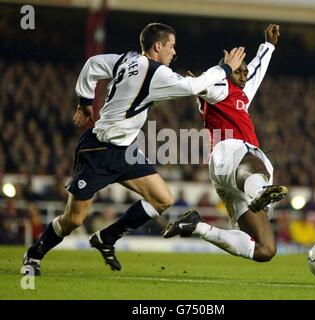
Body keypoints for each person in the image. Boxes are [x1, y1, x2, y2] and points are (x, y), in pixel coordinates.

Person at [22, 22, 246, 275]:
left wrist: (84, 101)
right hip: (98, 150)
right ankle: (34, 255)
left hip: (125, 149)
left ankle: (107, 237)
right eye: (171, 47)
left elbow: (93, 64)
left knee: (163, 199)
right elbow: (192, 87)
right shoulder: (155, 71)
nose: (174, 53)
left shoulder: (126, 59)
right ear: (157, 46)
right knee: (74, 219)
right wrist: (225, 69)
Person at [163, 24, 288, 262]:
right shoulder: (221, 87)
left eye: (244, 73)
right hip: (229, 153)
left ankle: (196, 226)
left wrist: (268, 45)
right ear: (228, 71)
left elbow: (257, 71)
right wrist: (217, 72)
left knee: (265, 249)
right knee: (253, 159)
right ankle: (259, 192)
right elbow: (206, 85)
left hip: (229, 175)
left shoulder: (240, 92)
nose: (243, 76)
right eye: (238, 72)